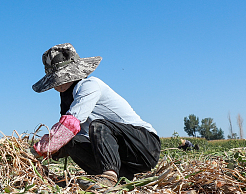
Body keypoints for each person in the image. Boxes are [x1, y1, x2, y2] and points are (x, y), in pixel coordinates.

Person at [32, 43, 160, 186]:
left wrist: (41, 148)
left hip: (145, 146)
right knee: (71, 143)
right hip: (120, 155)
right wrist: (38, 155)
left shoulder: (89, 85)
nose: (57, 85)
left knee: (98, 126)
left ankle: (109, 177)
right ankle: (121, 177)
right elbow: (65, 137)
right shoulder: (69, 99)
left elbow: (69, 125)